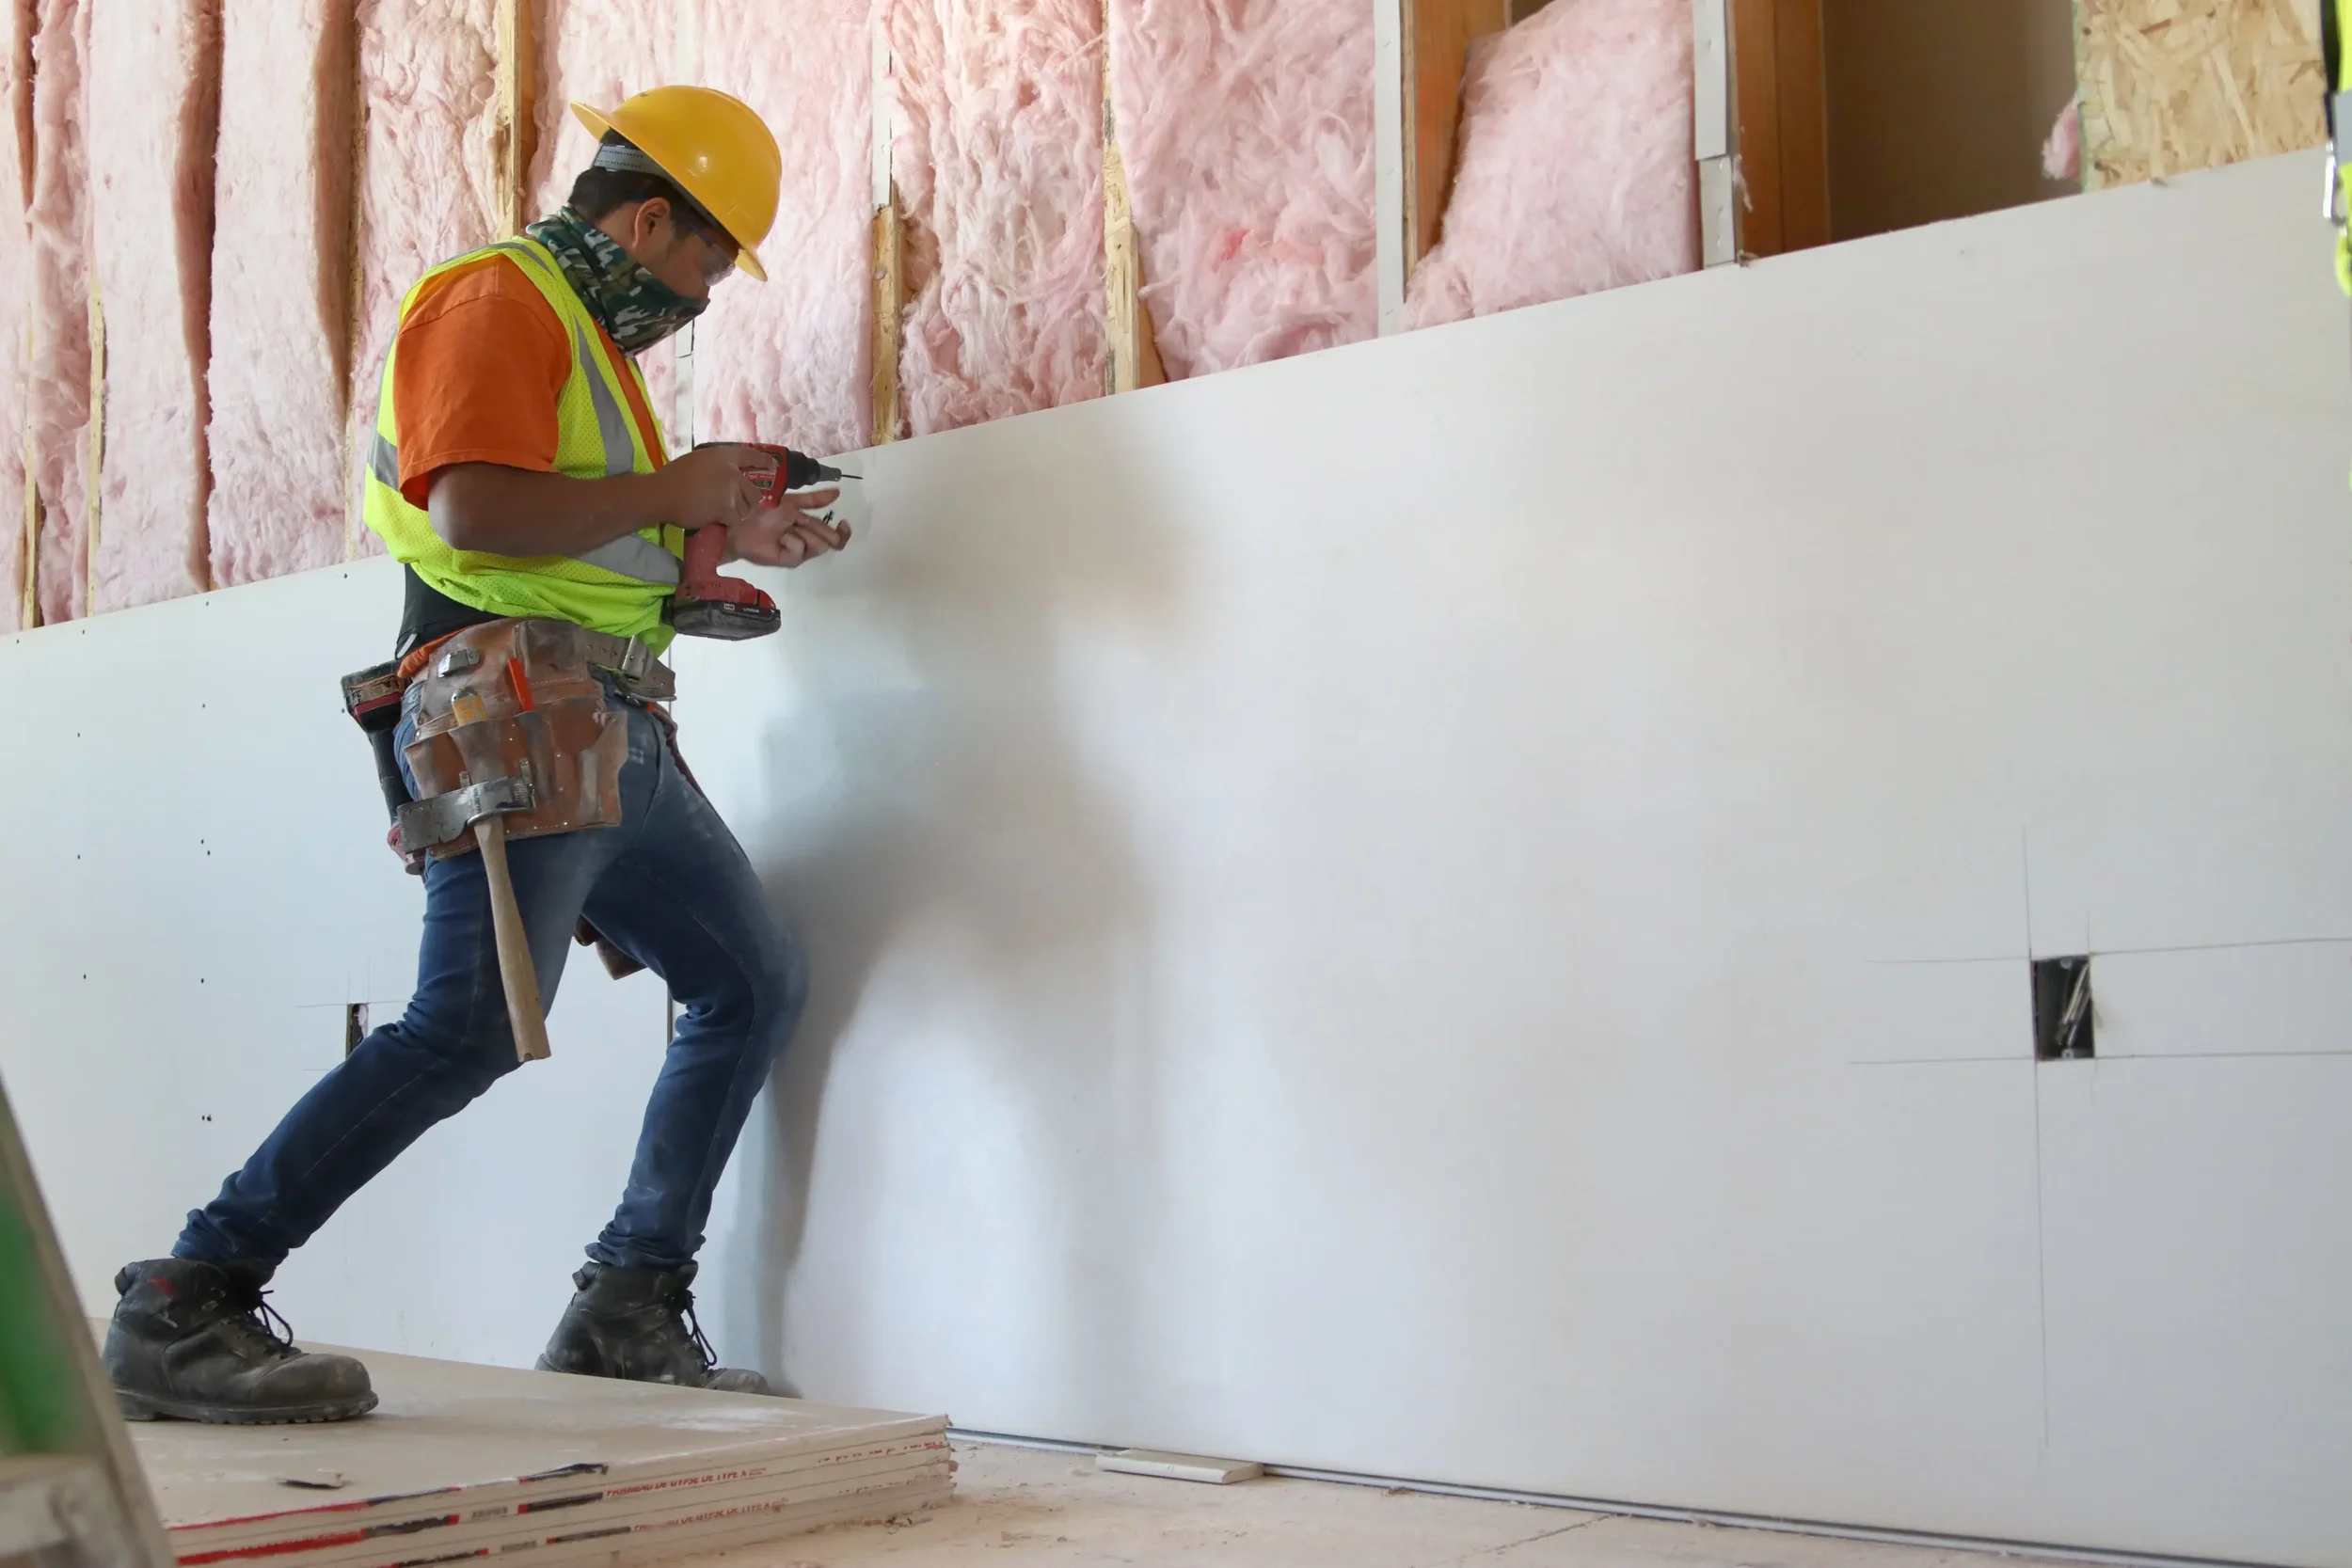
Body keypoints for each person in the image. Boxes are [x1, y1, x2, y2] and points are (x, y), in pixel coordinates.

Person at [101, 87, 845, 1423]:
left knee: (749, 979)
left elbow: (583, 545)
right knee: (470, 1027)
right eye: (705, 259)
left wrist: (712, 553)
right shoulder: (497, 299)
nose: (705, 294)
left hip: (611, 723)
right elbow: (475, 511)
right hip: (513, 706)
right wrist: (678, 491)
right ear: (651, 213)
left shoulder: (593, 349)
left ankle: (627, 1293)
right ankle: (191, 1291)